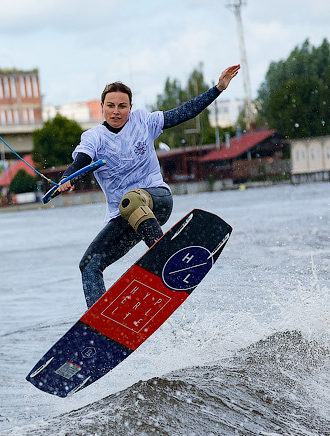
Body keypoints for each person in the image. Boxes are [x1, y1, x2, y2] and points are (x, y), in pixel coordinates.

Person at [57, 65, 240, 308]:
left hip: (158, 201)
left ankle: (164, 256)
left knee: (132, 199)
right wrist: (68, 177)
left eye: (122, 106)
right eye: (110, 106)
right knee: (89, 265)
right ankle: (98, 320)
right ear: (102, 108)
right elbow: (80, 162)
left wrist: (217, 89)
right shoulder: (93, 138)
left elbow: (184, 112)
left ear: (130, 108)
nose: (116, 111)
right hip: (124, 218)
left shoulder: (144, 121)